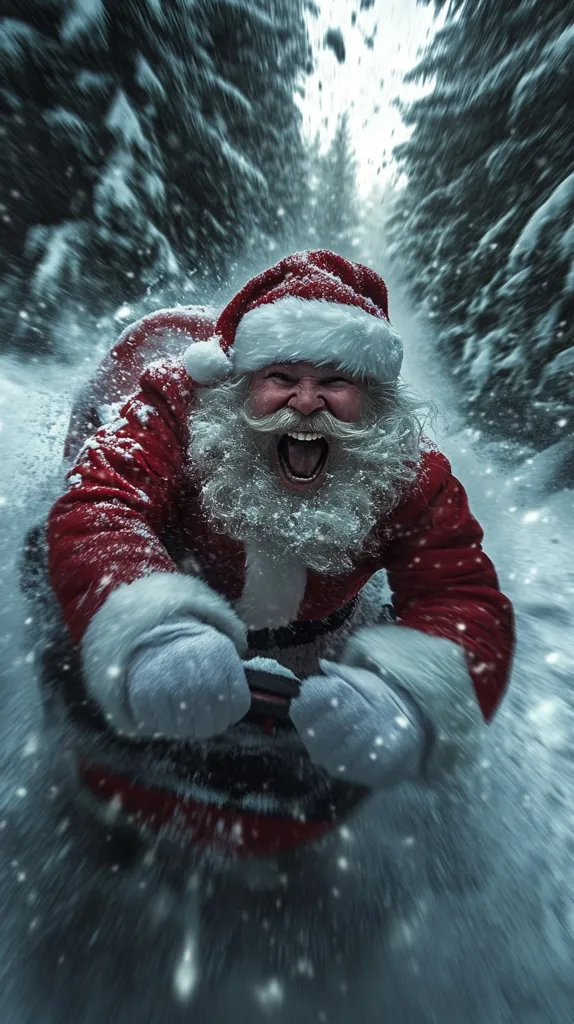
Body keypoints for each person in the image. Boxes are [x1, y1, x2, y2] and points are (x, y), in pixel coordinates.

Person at [46, 249, 514, 814]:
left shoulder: (410, 469)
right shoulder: (176, 405)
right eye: (283, 377)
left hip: (323, 647)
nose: (307, 402)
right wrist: (153, 630)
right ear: (244, 381)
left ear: (372, 397)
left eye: (335, 381)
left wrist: (410, 698)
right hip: (168, 613)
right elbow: (102, 503)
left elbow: (461, 591)